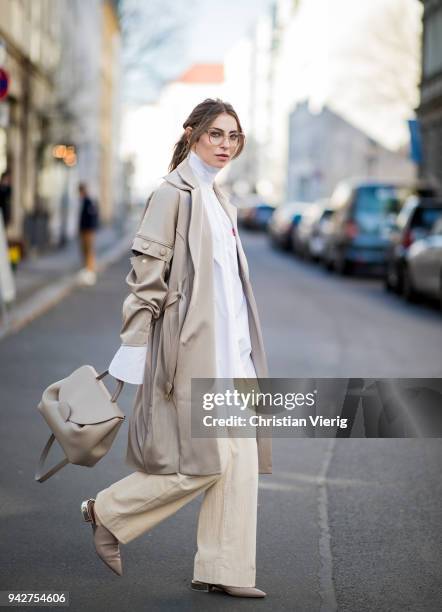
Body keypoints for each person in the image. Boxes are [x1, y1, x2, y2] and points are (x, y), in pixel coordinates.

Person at [80, 98, 272, 598]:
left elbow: (229, 288)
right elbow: (146, 278)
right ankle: (108, 511)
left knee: (240, 465)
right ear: (192, 134)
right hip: (192, 354)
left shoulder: (221, 199)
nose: (225, 145)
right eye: (216, 134)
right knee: (200, 464)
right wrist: (134, 346)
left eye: (234, 136)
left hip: (233, 357)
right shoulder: (173, 194)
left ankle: (225, 569)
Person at [77, 182, 99, 286]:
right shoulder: (85, 201)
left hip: (88, 231)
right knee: (85, 251)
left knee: (89, 251)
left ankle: (90, 272)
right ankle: (87, 270)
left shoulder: (88, 201)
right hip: (85, 231)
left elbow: (92, 217)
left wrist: (89, 230)